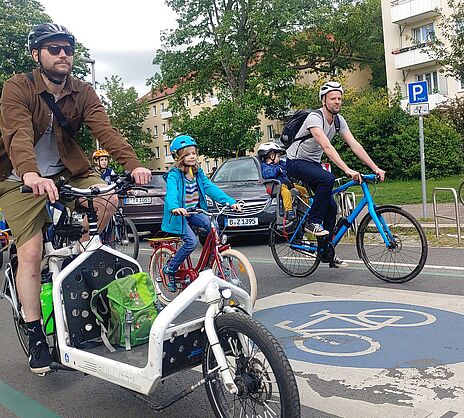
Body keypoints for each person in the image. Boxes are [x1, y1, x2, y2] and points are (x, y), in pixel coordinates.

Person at [0, 23, 152, 374]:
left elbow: (105, 130)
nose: (63, 54)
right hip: (18, 177)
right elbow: (18, 133)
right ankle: (36, 335)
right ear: (36, 55)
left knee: (106, 200)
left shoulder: (82, 91)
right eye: (53, 49)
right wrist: (29, 173)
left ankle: (77, 263)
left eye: (67, 48)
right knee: (32, 251)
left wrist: (134, 165)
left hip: (67, 171)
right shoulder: (17, 87)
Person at [285, 81, 386, 267]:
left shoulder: (339, 121)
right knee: (328, 178)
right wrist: (347, 169)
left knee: (331, 208)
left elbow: (354, 145)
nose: (337, 102)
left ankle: (326, 252)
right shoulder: (314, 118)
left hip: (313, 165)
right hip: (295, 163)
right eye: (333, 98)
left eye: (339, 98)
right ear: (324, 100)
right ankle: (312, 222)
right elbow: (326, 146)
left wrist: (375, 167)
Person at [161, 135, 242, 291]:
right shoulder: (174, 175)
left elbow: (211, 189)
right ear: (178, 156)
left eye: (194, 153)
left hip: (194, 211)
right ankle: (170, 268)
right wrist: (175, 208)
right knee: (191, 242)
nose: (192, 156)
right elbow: (171, 193)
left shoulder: (197, 173)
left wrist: (231, 202)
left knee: (213, 226)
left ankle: (210, 263)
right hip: (179, 215)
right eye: (187, 154)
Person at [257, 142, 309, 222]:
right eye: (278, 156)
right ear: (271, 156)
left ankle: (305, 210)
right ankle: (289, 211)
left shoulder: (281, 163)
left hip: (288, 184)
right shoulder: (265, 167)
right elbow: (268, 174)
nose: (280, 158)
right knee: (286, 192)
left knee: (303, 190)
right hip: (278, 187)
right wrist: (277, 169)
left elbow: (288, 167)